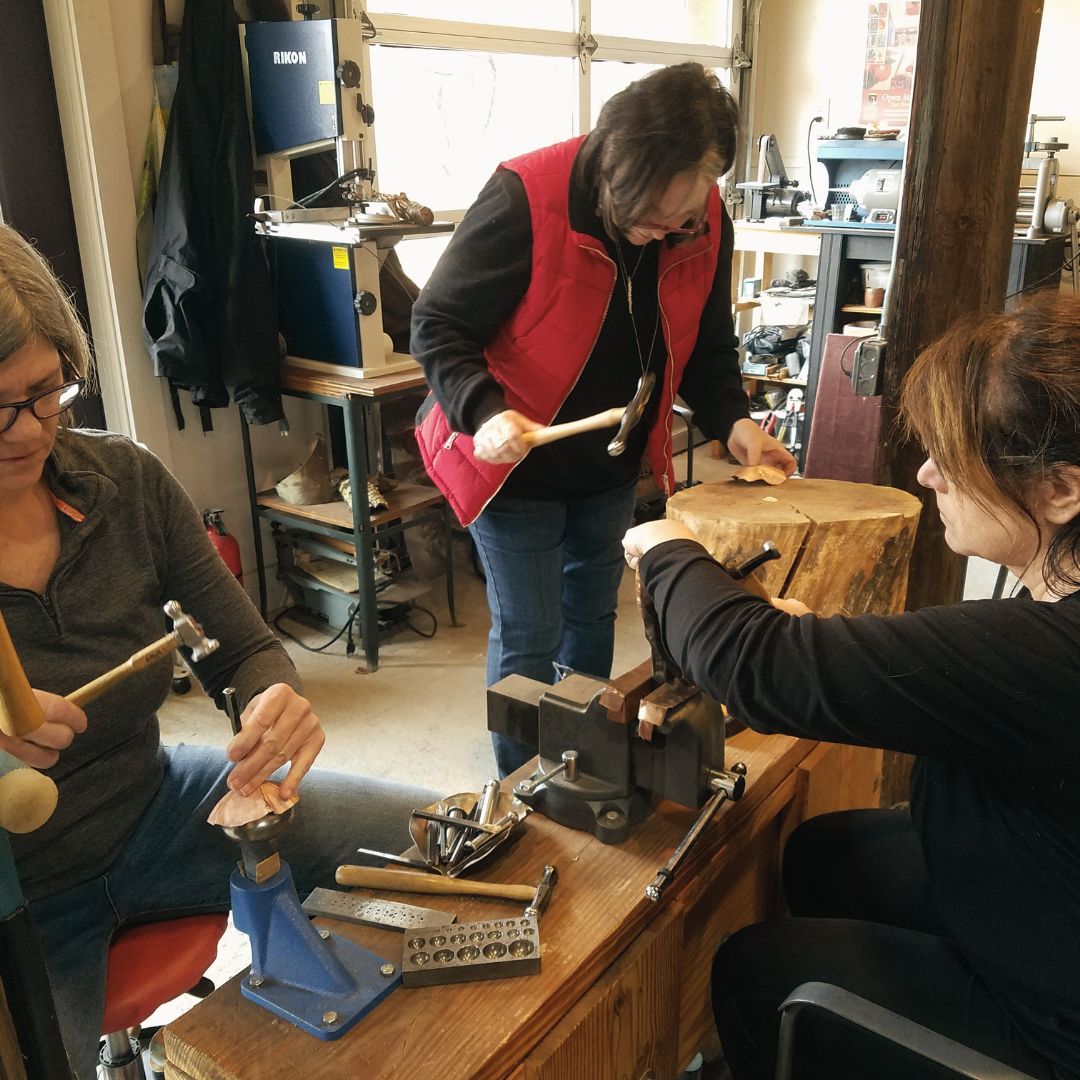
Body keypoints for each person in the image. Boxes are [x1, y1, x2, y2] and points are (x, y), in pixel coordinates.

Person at [0, 224, 434, 1079]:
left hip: (160, 807)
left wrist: (272, 699)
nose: (24, 430)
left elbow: (243, 649)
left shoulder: (123, 482)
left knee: (435, 838)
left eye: (44, 391)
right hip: (18, 891)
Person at [622, 293, 1080, 1080]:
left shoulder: (1060, 650)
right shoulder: (1051, 582)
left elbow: (760, 669)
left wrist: (668, 548)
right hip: (1038, 881)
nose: (928, 472)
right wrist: (839, 653)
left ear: (1061, 490)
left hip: (1054, 1023)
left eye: (954, 458)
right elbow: (970, 682)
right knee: (825, 856)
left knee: (759, 969)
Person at [412, 62, 796, 777]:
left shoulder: (702, 221)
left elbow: (708, 348)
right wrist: (484, 411)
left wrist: (735, 424)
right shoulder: (528, 195)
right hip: (514, 465)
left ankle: (574, 766)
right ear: (615, 165)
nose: (664, 235)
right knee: (530, 632)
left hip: (613, 462)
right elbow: (436, 324)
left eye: (682, 219)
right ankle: (523, 789)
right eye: (651, 216)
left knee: (591, 620)